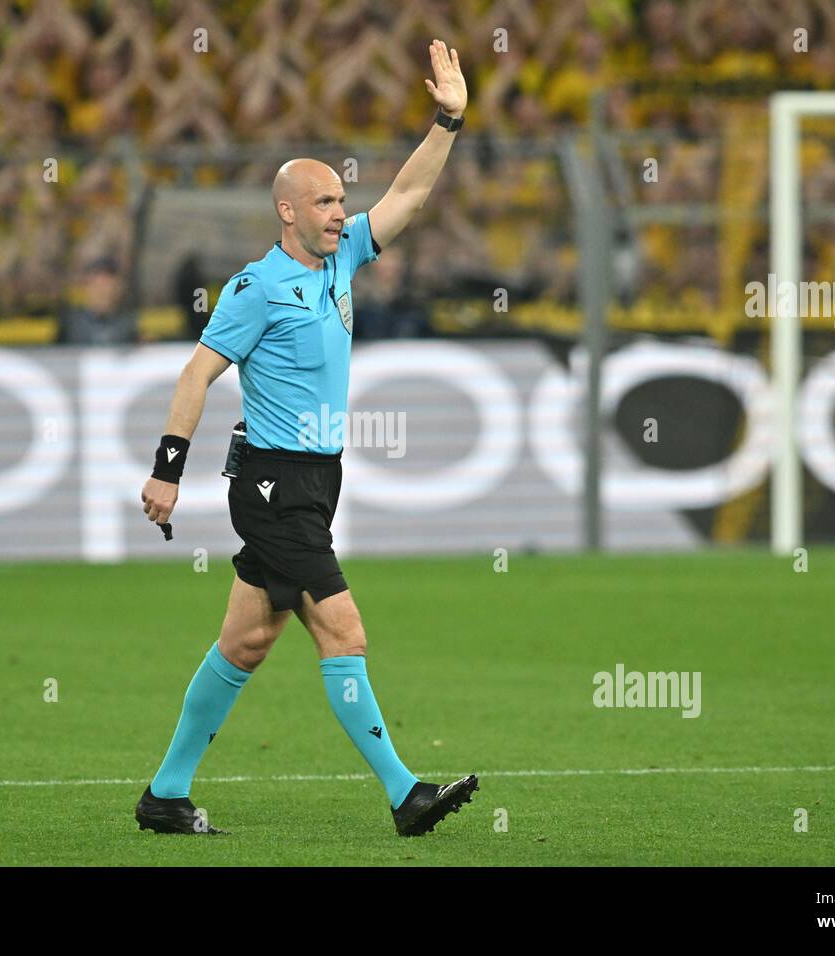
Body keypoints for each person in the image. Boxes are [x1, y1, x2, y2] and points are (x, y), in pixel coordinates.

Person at [136, 40, 477, 837]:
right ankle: (405, 794)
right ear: (288, 211)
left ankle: (165, 794)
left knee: (247, 642)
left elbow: (410, 196)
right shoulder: (256, 287)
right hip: (269, 484)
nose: (339, 212)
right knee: (342, 628)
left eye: (339, 201)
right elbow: (196, 376)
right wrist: (166, 473)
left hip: (317, 481)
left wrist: (449, 121)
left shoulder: (340, 260)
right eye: (324, 202)